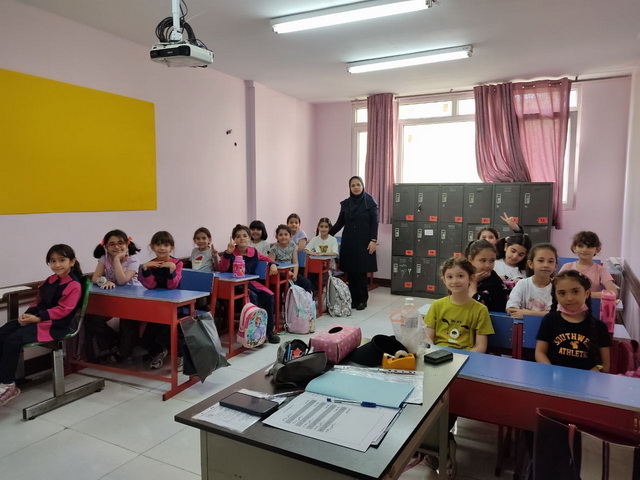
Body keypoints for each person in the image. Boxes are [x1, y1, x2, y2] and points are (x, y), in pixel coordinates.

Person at [0, 244, 83, 406]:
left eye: (62, 260)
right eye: (52, 261)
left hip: (57, 325)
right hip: (39, 319)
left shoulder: (74, 285)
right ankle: (2, 377)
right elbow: (38, 300)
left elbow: (64, 310)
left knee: (13, 339)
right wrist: (28, 314)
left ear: (72, 262)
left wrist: (38, 318)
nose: (57, 264)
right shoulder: (50, 281)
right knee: (4, 331)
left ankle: (9, 384)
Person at [535, 270, 611, 372]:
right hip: (552, 377)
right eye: (562, 293)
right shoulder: (550, 320)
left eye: (575, 292)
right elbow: (540, 353)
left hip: (586, 380)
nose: (569, 298)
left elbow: (604, 365)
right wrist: (550, 372)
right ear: (556, 296)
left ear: (587, 293)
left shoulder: (599, 327)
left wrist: (587, 377)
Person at [86, 229, 141, 364]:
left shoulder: (133, 260)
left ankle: (123, 353)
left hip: (134, 300)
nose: (116, 246)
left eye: (120, 243)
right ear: (105, 247)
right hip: (113, 299)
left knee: (130, 322)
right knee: (93, 320)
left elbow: (122, 281)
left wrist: (116, 259)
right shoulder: (104, 259)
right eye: (112, 244)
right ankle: (115, 343)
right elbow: (95, 278)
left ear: (127, 244)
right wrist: (104, 281)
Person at [219, 224, 280, 343]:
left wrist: (273, 264)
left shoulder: (253, 251)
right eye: (238, 236)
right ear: (234, 239)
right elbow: (221, 268)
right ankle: (252, 335)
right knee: (252, 297)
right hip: (235, 286)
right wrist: (227, 253)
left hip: (251, 283)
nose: (241, 238)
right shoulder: (230, 252)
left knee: (269, 296)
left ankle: (268, 332)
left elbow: (266, 259)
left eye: (244, 236)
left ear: (249, 238)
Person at [424, 257, 494, 352]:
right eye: (450, 277)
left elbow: (481, 347)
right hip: (438, 353)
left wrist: (463, 357)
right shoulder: (437, 305)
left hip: (466, 355)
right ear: (444, 280)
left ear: (471, 278)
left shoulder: (480, 310)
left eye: (460, 276)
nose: (455, 281)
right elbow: (428, 338)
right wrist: (433, 353)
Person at [329, 176, 378, 311]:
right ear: (350, 188)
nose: (356, 187)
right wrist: (326, 235)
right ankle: (353, 299)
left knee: (361, 272)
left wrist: (373, 240)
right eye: (353, 185)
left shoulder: (370, 202)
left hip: (364, 242)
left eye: (358, 185)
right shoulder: (346, 204)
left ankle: (362, 300)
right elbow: (340, 223)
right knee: (350, 271)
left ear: (362, 186)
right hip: (349, 241)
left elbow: (374, 223)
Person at [138, 231, 183, 369]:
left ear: (171, 247)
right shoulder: (150, 264)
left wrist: (171, 269)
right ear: (152, 247)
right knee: (145, 338)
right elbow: (151, 286)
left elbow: (172, 286)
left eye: (166, 245)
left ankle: (180, 355)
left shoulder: (177, 263)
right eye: (158, 245)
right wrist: (146, 268)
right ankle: (160, 351)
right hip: (156, 305)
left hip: (174, 305)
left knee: (167, 331)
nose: (162, 248)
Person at [558, 231, 617, 298]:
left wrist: (585, 295)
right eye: (580, 246)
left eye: (589, 246)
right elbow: (556, 287)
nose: (584, 250)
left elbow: (613, 293)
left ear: (597, 249)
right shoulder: (567, 267)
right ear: (574, 248)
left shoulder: (601, 270)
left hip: (591, 304)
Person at [506, 243, 558, 318]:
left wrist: (526, 313)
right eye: (540, 261)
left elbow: (558, 315)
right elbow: (511, 309)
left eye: (550, 261)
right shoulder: (522, 284)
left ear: (555, 266)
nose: (545, 265)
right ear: (530, 264)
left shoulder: (557, 287)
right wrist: (545, 314)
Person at [465, 239, 509, 312]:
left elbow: (476, 308)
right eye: (483, 260)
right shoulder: (464, 276)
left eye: (492, 261)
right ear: (470, 259)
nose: (488, 265)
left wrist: (473, 283)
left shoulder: (494, 281)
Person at [268, 224, 313, 293]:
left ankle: (306, 299)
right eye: (280, 235)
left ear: (290, 236)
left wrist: (295, 274)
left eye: (286, 234)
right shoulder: (274, 249)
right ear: (276, 237)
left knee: (307, 283)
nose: (283, 237)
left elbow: (295, 262)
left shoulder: (292, 246)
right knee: (288, 286)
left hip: (291, 272)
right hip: (279, 273)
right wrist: (286, 272)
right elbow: (271, 263)